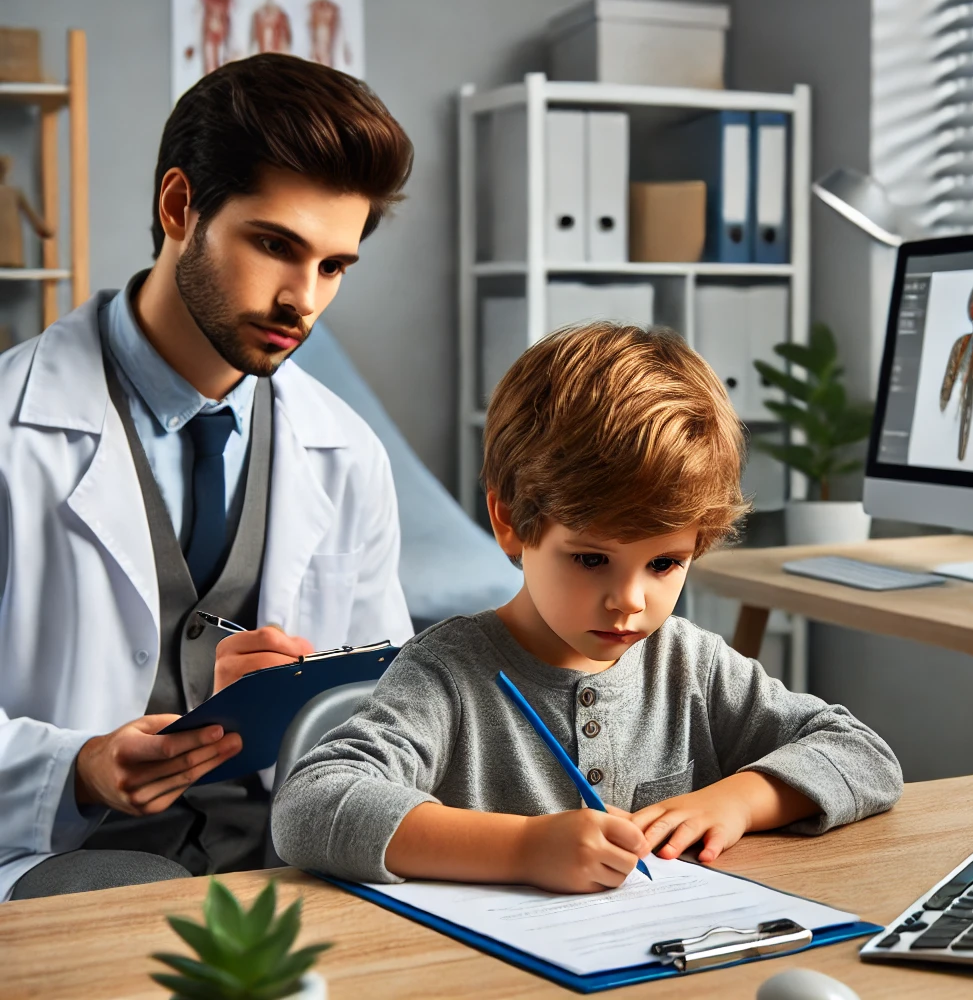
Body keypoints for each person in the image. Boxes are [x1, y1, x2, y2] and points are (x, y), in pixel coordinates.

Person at [272, 323, 903, 894]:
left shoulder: (688, 664)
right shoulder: (448, 674)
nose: (629, 600)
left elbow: (864, 755)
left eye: (664, 564)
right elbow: (310, 805)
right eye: (591, 559)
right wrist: (522, 848)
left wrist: (736, 801)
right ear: (510, 521)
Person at [0, 53, 414, 901]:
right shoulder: (13, 434)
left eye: (333, 267)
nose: (305, 299)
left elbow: (382, 714)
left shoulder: (347, 452)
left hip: (283, 855)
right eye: (276, 246)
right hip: (55, 857)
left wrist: (289, 707)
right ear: (181, 206)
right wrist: (77, 765)